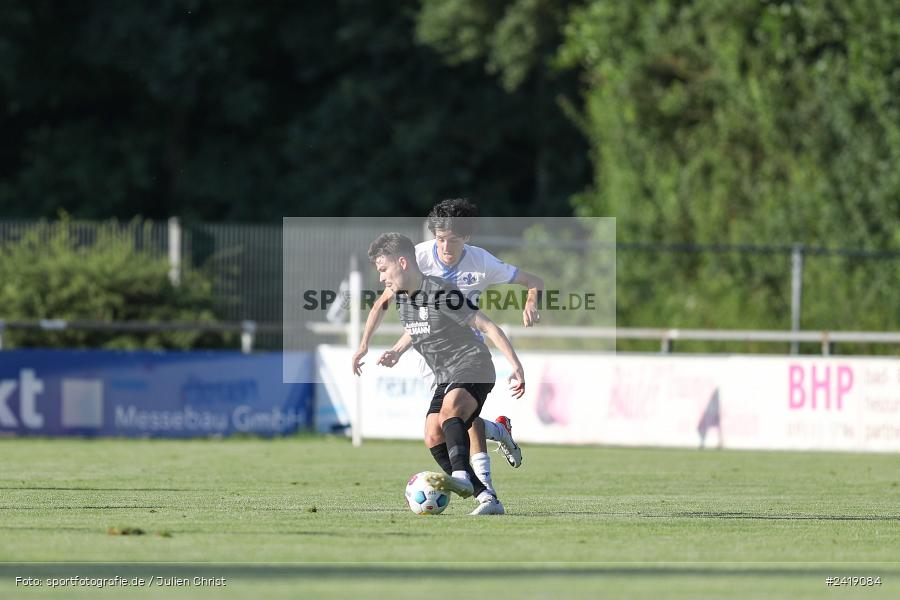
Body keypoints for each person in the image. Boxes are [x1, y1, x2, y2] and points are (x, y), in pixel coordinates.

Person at [352, 199, 543, 504]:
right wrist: (378, 346)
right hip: (434, 352)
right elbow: (408, 313)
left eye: (452, 240)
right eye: (440, 239)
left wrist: (531, 301)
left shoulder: (483, 263)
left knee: (456, 411)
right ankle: (494, 447)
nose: (444, 247)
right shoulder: (416, 258)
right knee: (442, 427)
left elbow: (532, 283)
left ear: (467, 238)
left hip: (469, 349)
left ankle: (482, 491)